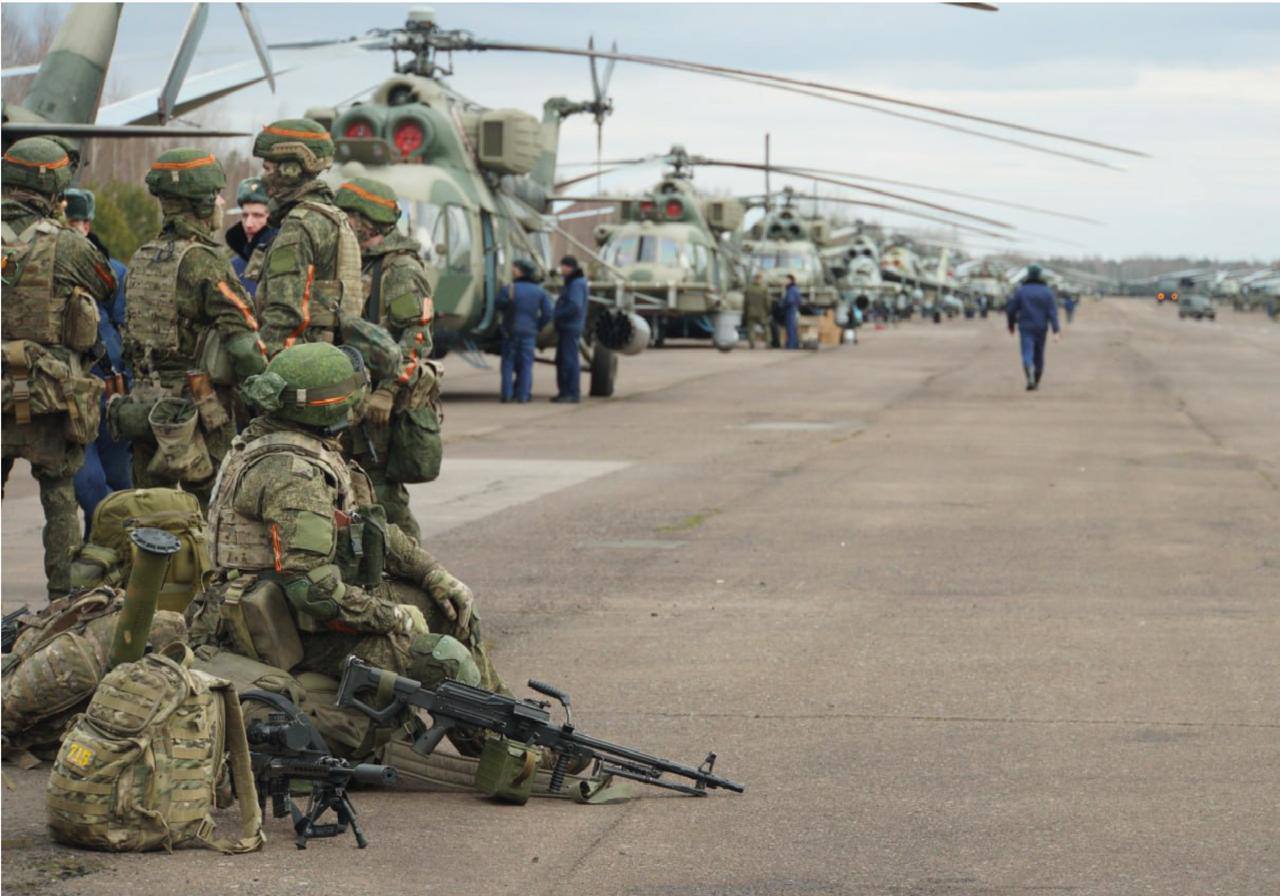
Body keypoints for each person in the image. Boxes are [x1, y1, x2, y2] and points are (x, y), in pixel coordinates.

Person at [191, 343, 503, 735]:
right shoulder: (292, 475)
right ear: (329, 407)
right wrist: (392, 617)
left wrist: (433, 573)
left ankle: (502, 724)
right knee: (442, 660)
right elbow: (312, 590)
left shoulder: (289, 443)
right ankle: (505, 748)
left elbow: (365, 526)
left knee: (454, 609)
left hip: (293, 611)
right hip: (280, 629)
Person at [116, 148, 267, 508]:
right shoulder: (205, 261)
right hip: (199, 411)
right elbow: (243, 343)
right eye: (216, 196)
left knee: (151, 512)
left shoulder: (143, 256)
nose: (220, 203)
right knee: (216, 509)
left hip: (145, 407)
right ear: (201, 204)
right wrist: (266, 396)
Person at [2, 137, 115, 597]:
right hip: (49, 394)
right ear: (54, 188)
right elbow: (106, 286)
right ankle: (62, 604)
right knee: (60, 497)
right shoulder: (67, 245)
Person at [332, 177, 436, 541]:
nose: (342, 223)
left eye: (348, 216)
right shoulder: (359, 264)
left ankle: (414, 564)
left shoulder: (400, 269)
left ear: (368, 220)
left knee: (383, 497)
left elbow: (417, 337)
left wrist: (388, 391)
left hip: (379, 405)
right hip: (355, 396)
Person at [252, 118, 365, 355]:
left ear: (291, 170)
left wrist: (262, 364)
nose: (263, 177)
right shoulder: (331, 216)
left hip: (299, 360)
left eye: (268, 168)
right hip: (326, 356)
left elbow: (285, 315)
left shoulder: (299, 225)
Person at [63, 188, 133, 532]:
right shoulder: (49, 275)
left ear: (87, 226)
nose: (71, 231)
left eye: (76, 224)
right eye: (65, 223)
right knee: (88, 485)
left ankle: (106, 551)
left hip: (110, 394)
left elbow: (129, 335)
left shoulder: (112, 273)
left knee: (120, 482)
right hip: (68, 398)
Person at [496, 259, 552, 403]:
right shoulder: (540, 291)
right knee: (526, 364)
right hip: (529, 332)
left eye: (514, 268)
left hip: (510, 331)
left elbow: (498, 304)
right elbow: (548, 313)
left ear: (520, 271)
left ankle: (507, 395)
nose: (512, 270)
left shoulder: (509, 289)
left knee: (508, 364)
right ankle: (523, 395)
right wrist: (537, 326)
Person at [1006, 263, 1061, 391]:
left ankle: (1029, 375)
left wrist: (1011, 325)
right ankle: (1036, 379)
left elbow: (1011, 310)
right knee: (1039, 354)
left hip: (1025, 327)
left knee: (1027, 352)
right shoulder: (1047, 292)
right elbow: (1052, 313)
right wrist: (1056, 331)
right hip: (1041, 327)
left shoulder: (1021, 291)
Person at [224, 176, 276, 298]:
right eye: (245, 215)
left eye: (258, 215)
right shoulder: (230, 262)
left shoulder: (286, 257)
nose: (248, 224)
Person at [551, 255, 588, 403]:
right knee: (563, 360)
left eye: (563, 266)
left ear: (569, 267)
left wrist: (556, 314)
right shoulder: (574, 282)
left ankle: (571, 393)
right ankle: (565, 392)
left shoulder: (576, 284)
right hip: (569, 326)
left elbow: (574, 305)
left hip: (570, 327)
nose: (561, 269)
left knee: (569, 360)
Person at [743, 271, 771, 349]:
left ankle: (751, 344)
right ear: (760, 279)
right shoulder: (764, 288)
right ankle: (768, 343)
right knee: (766, 327)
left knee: (751, 329)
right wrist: (768, 311)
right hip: (762, 312)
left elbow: (745, 302)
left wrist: (745, 312)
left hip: (751, 312)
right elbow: (767, 302)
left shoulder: (748, 288)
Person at [782, 274, 802, 349]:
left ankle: (791, 345)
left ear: (790, 280)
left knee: (790, 328)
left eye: (786, 280)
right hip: (793, 309)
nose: (784, 281)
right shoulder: (794, 289)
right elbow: (799, 301)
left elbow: (790, 300)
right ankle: (794, 344)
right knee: (793, 327)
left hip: (790, 310)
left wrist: (782, 303)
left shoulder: (791, 290)